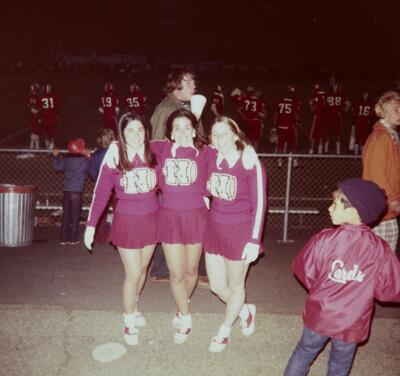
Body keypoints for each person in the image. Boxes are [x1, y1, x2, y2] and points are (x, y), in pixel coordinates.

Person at [284, 177, 400, 376]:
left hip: (321, 315)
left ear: (353, 211)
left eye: (335, 204)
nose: (330, 208)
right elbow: (391, 289)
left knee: (304, 351)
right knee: (340, 364)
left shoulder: (325, 239)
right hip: (352, 322)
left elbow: (303, 269)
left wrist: (321, 287)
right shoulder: (380, 249)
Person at [84, 112, 159, 346]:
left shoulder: (156, 151)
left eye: (140, 129)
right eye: (130, 130)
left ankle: (134, 307)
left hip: (152, 219)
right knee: (133, 272)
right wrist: (90, 224)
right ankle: (128, 322)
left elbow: (184, 139)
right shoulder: (115, 153)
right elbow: (102, 191)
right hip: (126, 220)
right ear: (121, 133)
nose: (136, 135)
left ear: (146, 131)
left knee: (144, 268)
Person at [204, 116, 267, 353]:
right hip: (215, 230)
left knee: (236, 285)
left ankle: (224, 330)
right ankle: (245, 311)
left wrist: (254, 239)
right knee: (217, 286)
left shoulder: (250, 162)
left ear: (235, 135)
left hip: (240, 233)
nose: (218, 139)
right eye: (214, 134)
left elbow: (260, 203)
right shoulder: (212, 157)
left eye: (223, 133)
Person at [151, 108, 211, 344]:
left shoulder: (206, 153)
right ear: (171, 134)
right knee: (176, 272)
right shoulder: (162, 149)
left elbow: (231, 150)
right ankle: (185, 318)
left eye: (187, 127)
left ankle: (181, 305)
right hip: (170, 217)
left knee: (191, 270)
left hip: (197, 217)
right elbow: (133, 141)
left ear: (194, 130)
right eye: (177, 128)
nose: (183, 132)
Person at [149, 67, 207, 283]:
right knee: (172, 223)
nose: (194, 86)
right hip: (174, 177)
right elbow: (158, 145)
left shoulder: (184, 107)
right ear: (176, 85)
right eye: (189, 82)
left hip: (187, 175)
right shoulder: (166, 109)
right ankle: (166, 271)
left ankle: (181, 270)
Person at [362, 91, 400, 252]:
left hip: (385, 209)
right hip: (382, 210)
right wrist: (392, 200)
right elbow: (377, 175)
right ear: (383, 112)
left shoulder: (390, 136)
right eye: (395, 110)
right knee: (383, 256)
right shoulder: (381, 138)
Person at [52, 139, 90, 245]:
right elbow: (89, 168)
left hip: (67, 191)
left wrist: (55, 157)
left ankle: (63, 238)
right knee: (75, 216)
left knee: (66, 215)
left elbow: (57, 167)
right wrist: (88, 155)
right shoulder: (83, 161)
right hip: (77, 192)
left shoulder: (66, 159)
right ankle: (73, 238)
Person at [87, 128, 115, 244]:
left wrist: (97, 179)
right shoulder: (116, 153)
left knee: (100, 212)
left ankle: (99, 237)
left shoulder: (95, 154)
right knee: (120, 210)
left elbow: (92, 172)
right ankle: (118, 235)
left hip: (101, 185)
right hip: (115, 186)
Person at [273, 85, 301, 167]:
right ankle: (295, 162)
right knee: (293, 145)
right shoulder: (294, 102)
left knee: (280, 144)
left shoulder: (280, 100)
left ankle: (280, 162)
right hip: (290, 126)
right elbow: (296, 115)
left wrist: (274, 125)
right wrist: (298, 123)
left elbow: (276, 114)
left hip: (281, 125)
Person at [237, 87, 266, 151]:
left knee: (248, 139)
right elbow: (263, 115)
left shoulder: (246, 99)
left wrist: (245, 118)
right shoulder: (259, 101)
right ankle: (254, 155)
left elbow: (239, 110)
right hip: (255, 121)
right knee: (255, 140)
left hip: (248, 121)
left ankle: (248, 153)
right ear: (255, 92)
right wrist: (260, 115)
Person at [324, 83, 351, 154]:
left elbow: (325, 104)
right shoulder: (341, 94)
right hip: (336, 115)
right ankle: (336, 151)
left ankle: (328, 150)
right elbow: (348, 103)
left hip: (331, 115)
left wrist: (345, 109)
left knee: (333, 134)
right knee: (333, 134)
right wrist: (345, 110)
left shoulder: (329, 94)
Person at [351, 90, 374, 155]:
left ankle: (360, 154)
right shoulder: (370, 103)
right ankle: (360, 154)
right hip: (363, 122)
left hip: (362, 122)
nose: (366, 95)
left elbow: (354, 112)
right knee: (360, 138)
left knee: (361, 139)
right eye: (365, 94)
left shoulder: (359, 102)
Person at [308, 82, 326, 154]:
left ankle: (311, 152)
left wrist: (310, 104)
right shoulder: (324, 95)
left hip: (317, 117)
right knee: (321, 135)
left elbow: (313, 108)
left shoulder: (315, 96)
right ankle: (320, 152)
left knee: (313, 136)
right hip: (323, 117)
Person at [41, 84, 59, 149]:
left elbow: (40, 107)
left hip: (45, 117)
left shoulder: (41, 97)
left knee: (45, 132)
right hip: (52, 117)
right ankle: (52, 145)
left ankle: (47, 145)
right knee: (53, 133)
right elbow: (56, 107)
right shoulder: (54, 97)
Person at [28, 82, 42, 149]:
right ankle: (35, 145)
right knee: (35, 130)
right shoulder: (34, 96)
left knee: (34, 130)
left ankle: (33, 145)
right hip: (35, 116)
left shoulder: (33, 96)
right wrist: (36, 111)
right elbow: (33, 107)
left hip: (34, 115)